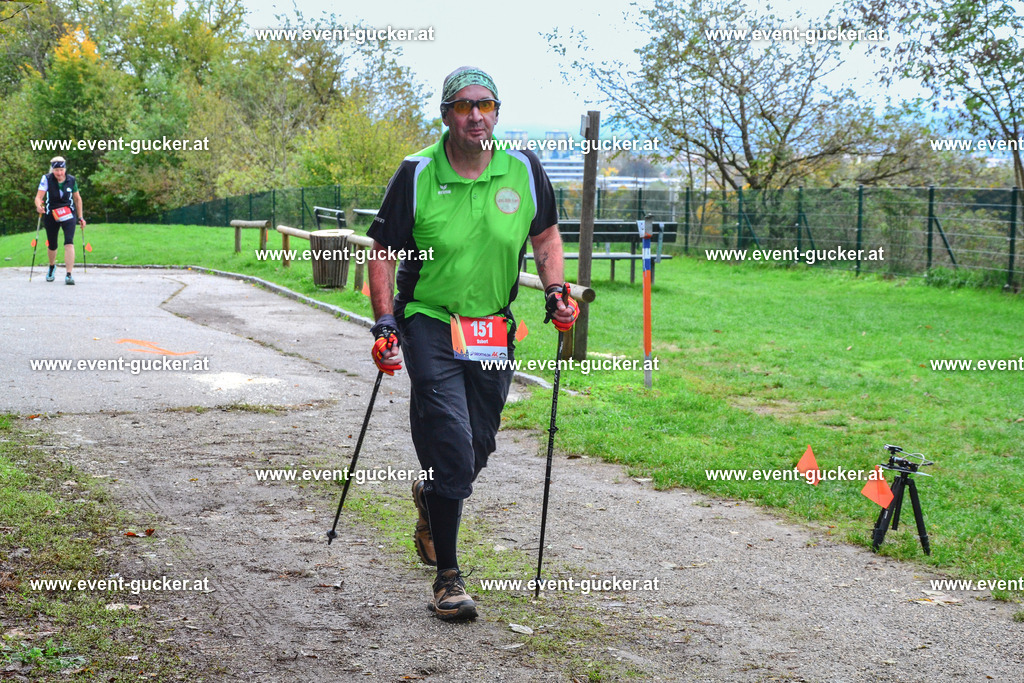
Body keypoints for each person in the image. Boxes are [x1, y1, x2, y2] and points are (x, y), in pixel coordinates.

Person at [366, 66, 578, 621]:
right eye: (464, 106)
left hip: (491, 327)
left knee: (478, 446)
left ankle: (432, 500)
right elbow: (382, 251)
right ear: (446, 115)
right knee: (451, 444)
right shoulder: (416, 173)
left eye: (486, 105)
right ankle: (448, 579)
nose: (476, 115)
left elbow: (547, 235)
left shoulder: (524, 169)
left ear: (497, 112)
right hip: (429, 321)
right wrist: (385, 323)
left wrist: (555, 289)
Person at [34, 156, 85, 285]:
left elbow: (78, 199)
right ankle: (52, 267)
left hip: (68, 213)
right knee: (52, 244)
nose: (59, 173)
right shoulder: (46, 179)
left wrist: (80, 217)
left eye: (61, 170)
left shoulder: (71, 180)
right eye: (56, 170)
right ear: (52, 170)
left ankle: (69, 274)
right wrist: (39, 206)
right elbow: (39, 197)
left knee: (69, 242)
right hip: (52, 213)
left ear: (65, 169)